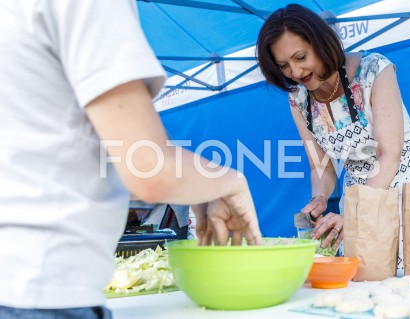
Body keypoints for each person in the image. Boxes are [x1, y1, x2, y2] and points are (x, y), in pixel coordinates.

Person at [0, 0, 261, 318]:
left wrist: (197, 187)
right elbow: (149, 169)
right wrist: (231, 182)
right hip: (42, 288)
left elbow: (85, 160)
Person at [256, 4, 410, 251]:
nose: (295, 71)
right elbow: (320, 165)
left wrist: (355, 213)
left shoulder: (374, 69)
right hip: (358, 191)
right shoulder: (298, 100)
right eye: (283, 65)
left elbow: (389, 154)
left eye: (300, 57)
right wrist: (319, 198)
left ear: (321, 42)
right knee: (361, 274)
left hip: (409, 184)